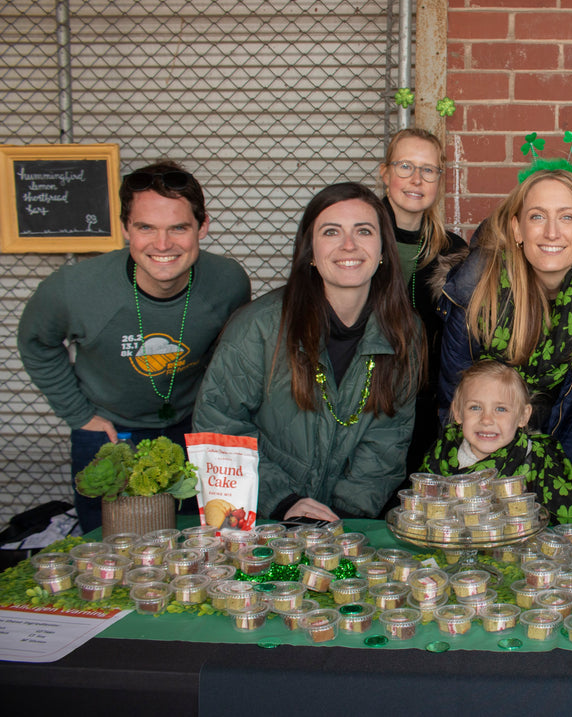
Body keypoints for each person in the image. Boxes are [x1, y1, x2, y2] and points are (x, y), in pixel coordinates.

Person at [18, 161, 250, 533]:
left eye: (178, 228)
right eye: (146, 227)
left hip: (194, 427)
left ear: (202, 226)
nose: (162, 244)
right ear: (126, 228)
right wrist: (79, 414)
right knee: (112, 548)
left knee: (202, 540)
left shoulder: (228, 282)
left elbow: (233, 353)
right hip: (109, 429)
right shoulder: (72, 289)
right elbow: (36, 343)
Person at [193, 183, 422, 521]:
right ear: (310, 251)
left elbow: (388, 440)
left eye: (364, 231)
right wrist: (283, 502)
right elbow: (217, 428)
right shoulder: (258, 328)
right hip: (265, 519)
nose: (349, 245)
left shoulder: (404, 330)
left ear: (383, 249)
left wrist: (345, 514)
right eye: (331, 232)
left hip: (346, 524)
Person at [437, 167, 572, 522]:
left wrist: (545, 472)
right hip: (482, 474)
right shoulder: (476, 292)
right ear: (517, 228)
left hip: (570, 475)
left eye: (566, 217)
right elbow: (455, 397)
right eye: (537, 216)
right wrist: (490, 474)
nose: (551, 232)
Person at [379, 128, 468, 471]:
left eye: (428, 170)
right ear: (385, 174)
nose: (416, 179)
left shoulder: (453, 251)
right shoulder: (357, 239)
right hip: (367, 402)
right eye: (405, 167)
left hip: (424, 408)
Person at [421, 359, 572, 524]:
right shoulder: (440, 454)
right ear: (458, 412)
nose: (487, 419)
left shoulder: (539, 460)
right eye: (475, 407)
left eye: (501, 409)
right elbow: (420, 509)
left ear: (523, 416)